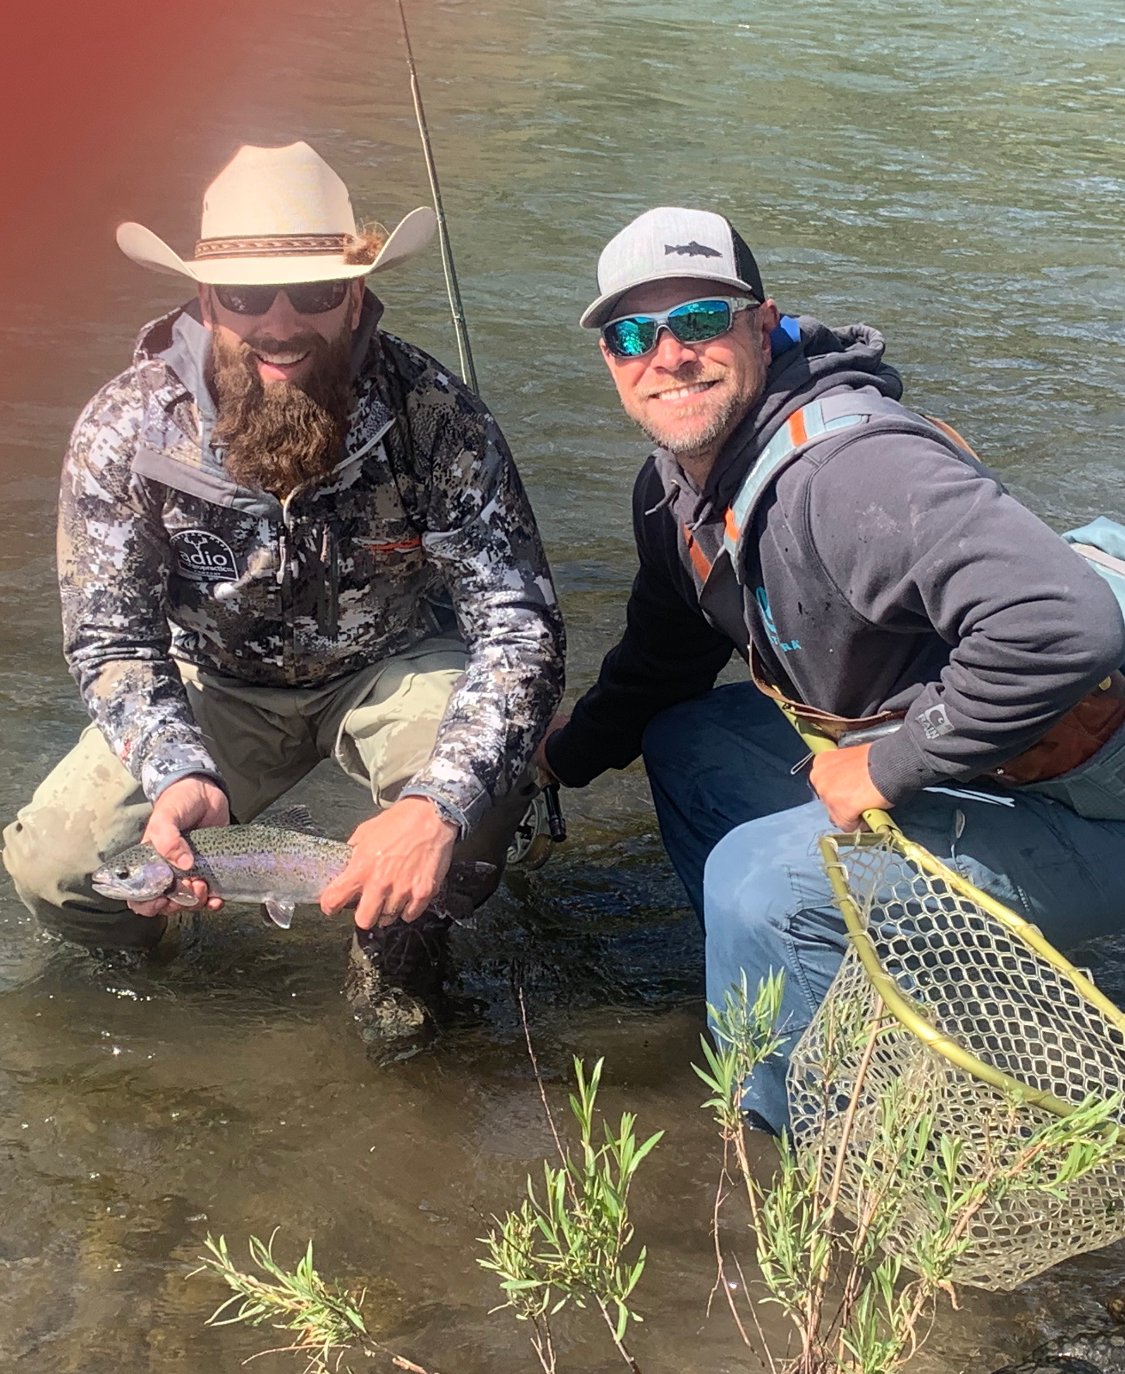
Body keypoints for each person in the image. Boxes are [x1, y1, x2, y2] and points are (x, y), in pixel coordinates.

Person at [536, 205, 1125, 1132]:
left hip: (1086, 804)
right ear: (609, 357)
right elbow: (663, 660)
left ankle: (815, 1167)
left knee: (759, 884)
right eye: (630, 334)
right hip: (987, 759)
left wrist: (888, 765)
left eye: (697, 322)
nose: (668, 356)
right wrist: (554, 761)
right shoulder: (675, 488)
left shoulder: (852, 473)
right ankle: (799, 1002)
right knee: (685, 740)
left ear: (761, 326)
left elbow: (1062, 624)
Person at [2, 141, 565, 1022]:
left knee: (471, 812)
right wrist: (174, 765)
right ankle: (165, 972)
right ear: (204, 299)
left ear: (354, 297)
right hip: (213, 682)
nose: (279, 323)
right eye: (246, 296)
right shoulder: (126, 428)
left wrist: (438, 802)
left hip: (396, 664)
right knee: (60, 870)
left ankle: (396, 964)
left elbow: (517, 627)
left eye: (312, 293)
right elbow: (112, 639)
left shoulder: (436, 416)